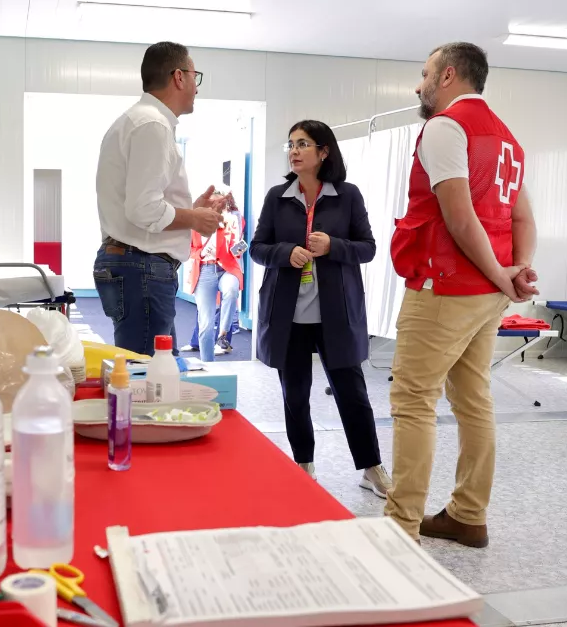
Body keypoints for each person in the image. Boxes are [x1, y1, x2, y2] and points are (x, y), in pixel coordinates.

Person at [383, 42, 539, 548]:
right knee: (473, 398)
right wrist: (516, 272)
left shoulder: (446, 128)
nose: (418, 84)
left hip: (446, 288)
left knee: (413, 400)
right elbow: (521, 219)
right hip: (484, 295)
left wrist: (502, 276)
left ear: (448, 75)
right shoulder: (508, 140)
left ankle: (400, 527)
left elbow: (459, 218)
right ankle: (469, 514)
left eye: (425, 73)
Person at [251, 120, 390, 495]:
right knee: (294, 395)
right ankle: (304, 465)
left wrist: (334, 246)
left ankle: (371, 468)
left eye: (303, 144)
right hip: (289, 316)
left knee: (353, 395)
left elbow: (368, 247)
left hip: (336, 315)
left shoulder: (347, 196)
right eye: (291, 144)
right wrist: (285, 253)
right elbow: (257, 248)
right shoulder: (277, 197)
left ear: (324, 151)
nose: (294, 151)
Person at [93, 41, 225, 356]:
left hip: (137, 264)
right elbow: (143, 208)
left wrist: (190, 212)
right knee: (146, 381)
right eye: (195, 76)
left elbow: (143, 205)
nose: (196, 87)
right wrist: (193, 219)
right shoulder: (152, 125)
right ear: (179, 77)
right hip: (142, 268)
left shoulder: (140, 121)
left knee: (158, 373)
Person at [187, 190, 245, 362]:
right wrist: (203, 252)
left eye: (220, 204)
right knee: (205, 325)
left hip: (227, 268)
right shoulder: (195, 223)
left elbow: (238, 249)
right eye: (213, 204)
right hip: (204, 270)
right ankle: (208, 365)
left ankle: (224, 333)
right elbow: (188, 249)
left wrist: (236, 246)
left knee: (231, 291)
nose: (216, 208)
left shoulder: (232, 220)